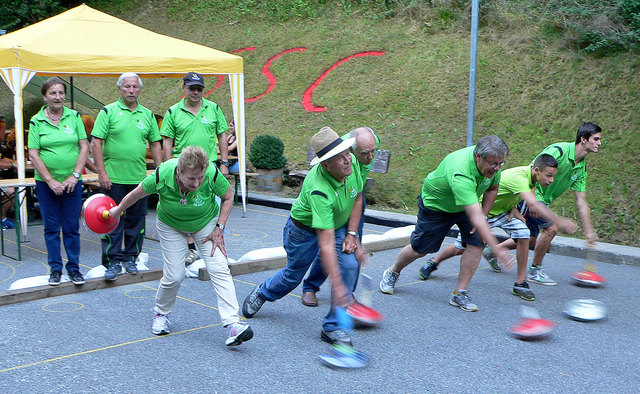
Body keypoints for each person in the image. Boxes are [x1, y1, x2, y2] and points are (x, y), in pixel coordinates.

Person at [107, 146, 253, 346]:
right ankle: (161, 314)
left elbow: (227, 197)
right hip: (171, 224)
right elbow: (136, 195)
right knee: (175, 274)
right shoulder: (162, 174)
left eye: (200, 178)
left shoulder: (211, 172)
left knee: (219, 268)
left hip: (205, 223)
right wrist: (117, 211)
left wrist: (219, 228)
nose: (196, 183)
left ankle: (233, 324)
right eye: (191, 178)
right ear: (179, 172)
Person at [241, 126, 366, 346]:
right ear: (325, 165)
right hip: (303, 231)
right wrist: (336, 283)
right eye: (339, 158)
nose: (347, 160)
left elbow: (357, 198)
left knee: (349, 264)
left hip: (336, 225)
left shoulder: (352, 163)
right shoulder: (319, 189)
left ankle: (332, 328)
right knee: (293, 276)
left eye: (347, 153)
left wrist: (352, 234)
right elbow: (325, 244)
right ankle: (262, 292)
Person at [379, 135, 514, 312]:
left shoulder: (491, 164)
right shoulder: (461, 173)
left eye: (500, 164)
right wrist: (498, 249)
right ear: (478, 157)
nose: (496, 169)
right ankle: (393, 271)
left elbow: (492, 188)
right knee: (420, 248)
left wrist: (484, 214)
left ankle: (460, 292)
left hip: (467, 204)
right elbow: (475, 216)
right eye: (493, 164)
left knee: (476, 243)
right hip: (437, 206)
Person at [421, 154, 578, 301]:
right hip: (484, 212)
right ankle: (434, 262)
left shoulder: (531, 176)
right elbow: (533, 204)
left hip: (505, 212)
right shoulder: (520, 177)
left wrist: (514, 207)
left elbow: (526, 194)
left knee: (524, 234)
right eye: (549, 175)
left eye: (553, 176)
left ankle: (520, 284)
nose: (551, 180)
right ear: (536, 170)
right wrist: (561, 222)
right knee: (460, 247)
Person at [494, 122, 602, 286]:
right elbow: (532, 170)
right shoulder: (559, 151)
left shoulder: (581, 168)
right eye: (596, 139)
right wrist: (534, 201)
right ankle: (535, 270)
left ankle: (494, 251)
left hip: (541, 200)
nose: (599, 143)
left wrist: (589, 231)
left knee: (530, 238)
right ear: (583, 139)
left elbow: (581, 201)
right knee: (551, 228)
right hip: (531, 195)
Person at [91, 73, 163, 281]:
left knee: (136, 220)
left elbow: (156, 143)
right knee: (112, 220)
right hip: (113, 179)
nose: (131, 90)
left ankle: (131, 258)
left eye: (135, 87)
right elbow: (96, 142)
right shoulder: (108, 112)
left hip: (139, 179)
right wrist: (101, 172)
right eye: (127, 87)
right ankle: (112, 261)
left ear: (139, 89)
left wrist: (159, 173)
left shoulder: (148, 115)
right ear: (120, 89)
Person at [301, 126, 379, 307]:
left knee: (350, 249)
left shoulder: (367, 142)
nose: (371, 157)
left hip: (353, 191)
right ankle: (311, 286)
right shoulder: (337, 159)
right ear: (353, 149)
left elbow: (359, 196)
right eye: (365, 153)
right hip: (334, 197)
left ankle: (347, 294)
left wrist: (353, 234)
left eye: (374, 151)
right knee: (330, 246)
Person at [160, 72, 231, 265]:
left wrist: (224, 163)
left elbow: (222, 136)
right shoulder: (173, 111)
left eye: (199, 88)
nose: (196, 92)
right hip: (183, 171)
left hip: (208, 170)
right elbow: (167, 142)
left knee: (211, 207)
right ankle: (191, 248)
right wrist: (169, 168)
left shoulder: (213, 108)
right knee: (185, 209)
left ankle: (211, 244)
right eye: (192, 88)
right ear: (184, 88)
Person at [28, 77, 89, 286]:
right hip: (46, 184)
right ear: (45, 96)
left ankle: (74, 268)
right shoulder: (36, 121)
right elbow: (33, 154)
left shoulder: (74, 117)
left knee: (71, 227)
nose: (58, 97)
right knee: (51, 228)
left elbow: (84, 147)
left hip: (72, 182)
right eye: (53, 93)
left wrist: (75, 175)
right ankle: (55, 269)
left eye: (61, 93)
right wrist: (51, 180)